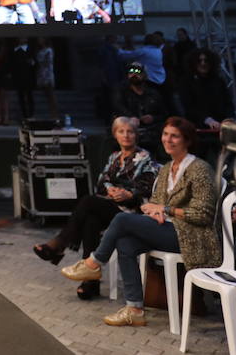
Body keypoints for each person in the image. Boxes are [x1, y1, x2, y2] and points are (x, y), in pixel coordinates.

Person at [61, 117, 219, 327]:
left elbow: (204, 214)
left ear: (187, 140)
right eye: (165, 134)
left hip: (191, 236)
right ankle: (134, 308)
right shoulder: (167, 168)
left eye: (174, 136)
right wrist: (153, 210)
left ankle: (94, 263)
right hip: (167, 228)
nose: (168, 140)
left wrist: (166, 209)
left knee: (122, 219)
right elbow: (155, 202)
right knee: (125, 243)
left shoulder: (200, 169)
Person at [33, 116, 159, 300]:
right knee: (91, 221)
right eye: (121, 131)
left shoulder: (144, 157)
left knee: (88, 202)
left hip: (130, 211)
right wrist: (112, 190)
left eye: (130, 132)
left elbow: (148, 184)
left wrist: (128, 194)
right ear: (115, 135)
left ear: (136, 135)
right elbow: (102, 182)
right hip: (111, 207)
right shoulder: (114, 157)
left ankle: (60, 244)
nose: (126, 135)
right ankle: (90, 283)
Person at [115, 62, 167, 152]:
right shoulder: (121, 92)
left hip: (151, 130)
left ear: (144, 75)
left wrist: (153, 118)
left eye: (138, 72)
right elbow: (118, 108)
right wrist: (130, 118)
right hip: (129, 129)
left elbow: (164, 114)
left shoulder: (154, 93)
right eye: (131, 72)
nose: (134, 75)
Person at [176, 48, 233, 129]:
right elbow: (188, 106)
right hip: (198, 126)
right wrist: (207, 119)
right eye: (199, 61)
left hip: (221, 125)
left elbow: (228, 102)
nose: (203, 63)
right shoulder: (186, 81)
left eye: (206, 60)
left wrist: (228, 118)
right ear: (193, 63)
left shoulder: (218, 80)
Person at [9, 38, 36, 120]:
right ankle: (24, 115)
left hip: (28, 76)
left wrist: (32, 63)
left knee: (29, 95)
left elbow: (34, 62)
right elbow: (12, 64)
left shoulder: (30, 50)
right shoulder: (15, 50)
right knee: (21, 97)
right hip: (19, 76)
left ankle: (31, 114)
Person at [35, 38, 59, 121]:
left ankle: (55, 115)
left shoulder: (49, 50)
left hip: (48, 74)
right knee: (47, 96)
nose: (39, 40)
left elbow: (48, 62)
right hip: (41, 74)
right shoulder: (39, 51)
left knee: (51, 95)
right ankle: (51, 114)